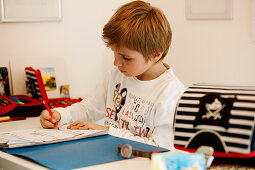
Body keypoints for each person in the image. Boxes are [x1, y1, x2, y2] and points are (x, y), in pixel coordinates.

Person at [40, 0, 185, 150]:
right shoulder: (117, 75)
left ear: (156, 55)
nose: (116, 62)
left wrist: (107, 131)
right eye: (115, 53)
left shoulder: (172, 95)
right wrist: (60, 115)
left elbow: (161, 148)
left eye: (126, 58)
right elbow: (89, 107)